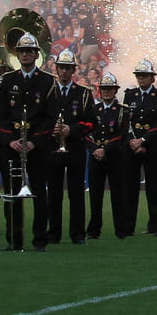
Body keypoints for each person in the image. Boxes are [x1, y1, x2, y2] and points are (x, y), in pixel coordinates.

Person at [0, 31, 57, 251]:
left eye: (29, 51)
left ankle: (40, 239)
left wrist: (34, 142)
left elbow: (51, 117)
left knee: (40, 192)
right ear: (17, 54)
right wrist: (10, 140)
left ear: (36, 54)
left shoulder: (48, 82)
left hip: (37, 147)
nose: (25, 55)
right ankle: (14, 240)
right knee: (12, 195)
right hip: (13, 146)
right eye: (22, 51)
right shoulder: (7, 80)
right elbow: (1, 115)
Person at [44, 50, 93, 244]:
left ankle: (78, 234)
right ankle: (53, 233)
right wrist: (51, 130)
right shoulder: (48, 92)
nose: (64, 72)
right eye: (61, 68)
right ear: (56, 69)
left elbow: (91, 123)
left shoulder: (83, 93)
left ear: (73, 70)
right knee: (53, 194)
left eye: (67, 68)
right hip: (52, 148)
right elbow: (39, 119)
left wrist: (70, 130)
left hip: (75, 149)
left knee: (76, 194)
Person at [123, 60, 157, 235]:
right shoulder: (130, 95)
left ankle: (155, 226)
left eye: (144, 75)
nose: (141, 78)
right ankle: (128, 227)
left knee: (155, 188)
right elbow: (126, 122)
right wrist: (133, 142)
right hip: (132, 147)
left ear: (152, 78)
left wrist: (143, 140)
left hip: (153, 147)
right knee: (130, 188)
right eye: (138, 75)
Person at [86, 72, 130, 240]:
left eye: (109, 89)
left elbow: (122, 134)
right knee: (95, 196)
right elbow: (86, 133)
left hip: (115, 157)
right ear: (99, 90)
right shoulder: (93, 110)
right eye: (103, 88)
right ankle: (93, 230)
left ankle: (121, 230)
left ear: (115, 90)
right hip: (95, 157)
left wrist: (105, 148)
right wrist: (93, 149)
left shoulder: (122, 111)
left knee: (118, 195)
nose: (106, 92)